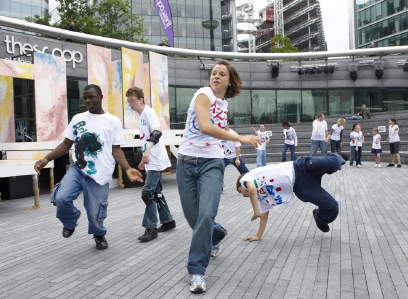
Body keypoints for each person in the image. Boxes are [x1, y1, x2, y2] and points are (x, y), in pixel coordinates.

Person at [176, 61, 259, 294]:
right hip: (186, 161)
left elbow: (222, 129)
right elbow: (204, 126)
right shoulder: (203, 95)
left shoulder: (224, 103)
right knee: (194, 218)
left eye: (222, 74)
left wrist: (244, 139)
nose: (216, 76)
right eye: (214, 73)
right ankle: (217, 233)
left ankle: (197, 271)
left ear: (230, 81)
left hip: (212, 163)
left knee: (205, 215)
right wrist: (242, 138)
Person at [34, 84, 143, 250]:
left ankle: (99, 234)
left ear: (100, 96)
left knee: (95, 212)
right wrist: (46, 159)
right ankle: (70, 221)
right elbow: (65, 144)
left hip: (100, 174)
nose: (87, 100)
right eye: (85, 97)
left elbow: (116, 149)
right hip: (77, 170)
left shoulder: (113, 121)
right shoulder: (78, 118)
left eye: (91, 96)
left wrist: (127, 168)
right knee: (62, 198)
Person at [236, 153, 346, 241]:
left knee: (335, 162)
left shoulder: (247, 177)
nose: (243, 194)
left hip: (301, 167)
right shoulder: (263, 199)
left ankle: (334, 162)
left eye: (240, 191)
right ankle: (320, 218)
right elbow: (264, 217)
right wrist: (258, 236)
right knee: (332, 207)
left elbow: (251, 190)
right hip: (301, 186)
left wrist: (255, 211)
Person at [126, 87, 176, 243]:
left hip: (155, 160)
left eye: (132, 101)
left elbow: (156, 133)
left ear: (141, 99)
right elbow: (146, 139)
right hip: (150, 160)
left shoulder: (148, 112)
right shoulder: (141, 116)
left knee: (147, 193)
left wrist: (147, 153)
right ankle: (168, 222)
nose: (130, 105)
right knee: (156, 192)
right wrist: (143, 157)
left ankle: (151, 228)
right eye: (128, 102)